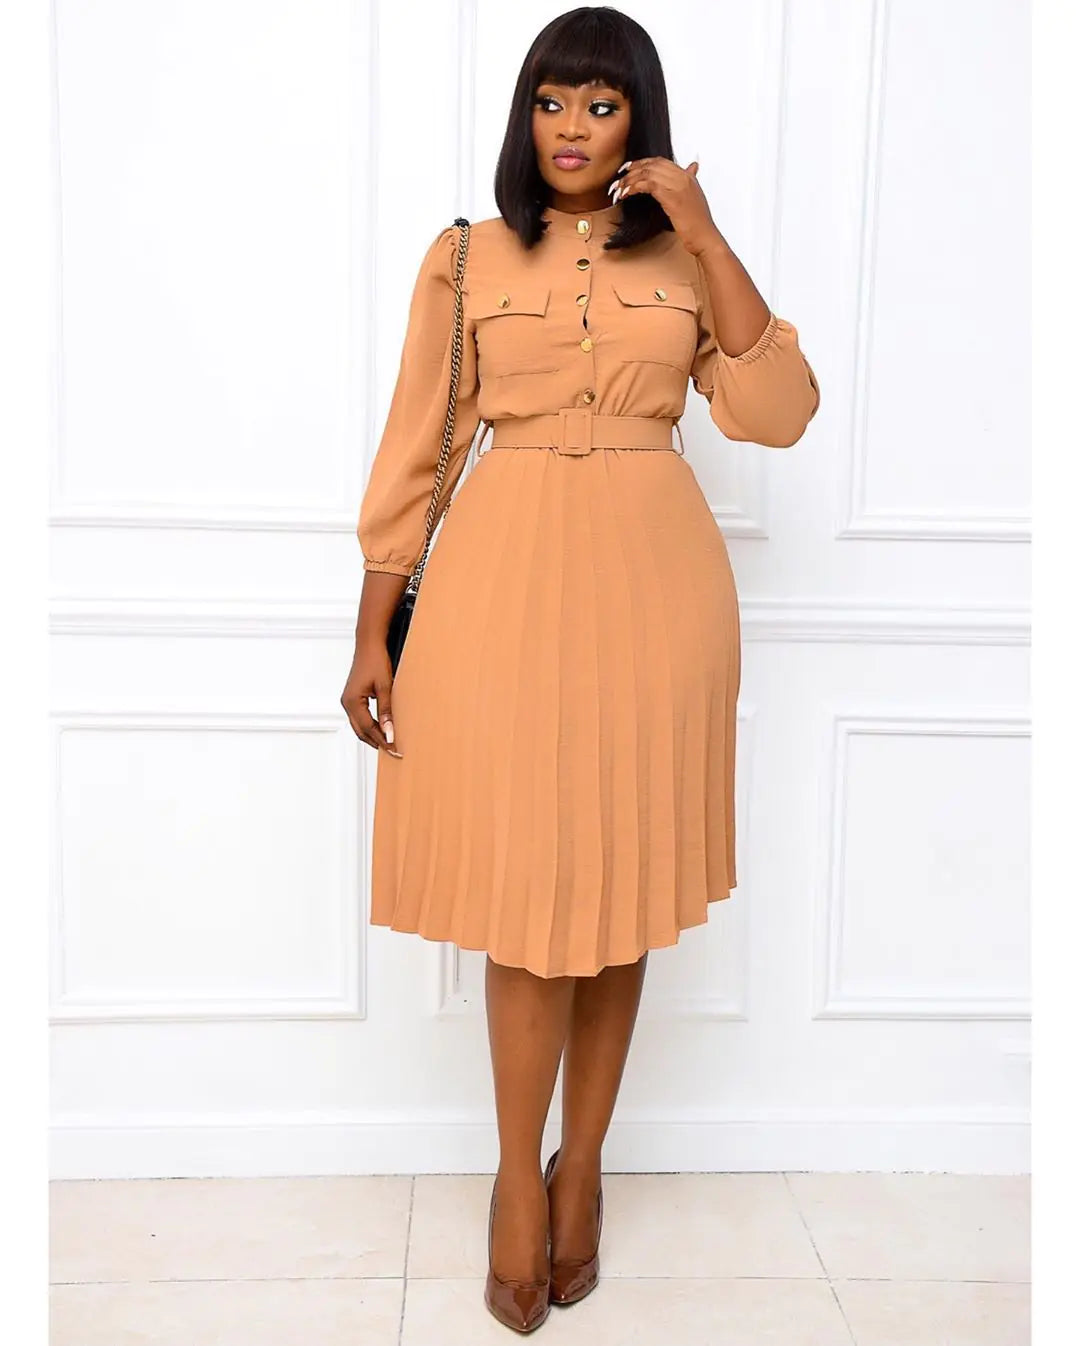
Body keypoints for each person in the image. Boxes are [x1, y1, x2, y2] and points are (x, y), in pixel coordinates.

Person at [341, 5, 820, 1333]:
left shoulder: (684, 262)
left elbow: (777, 411)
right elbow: (421, 445)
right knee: (528, 895)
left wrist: (705, 233)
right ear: (525, 115)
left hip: (658, 593)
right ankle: (516, 1173)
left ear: (639, 125)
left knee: (622, 882)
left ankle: (584, 1165)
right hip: (500, 585)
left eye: (601, 106)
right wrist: (375, 623)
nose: (571, 128)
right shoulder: (468, 255)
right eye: (551, 101)